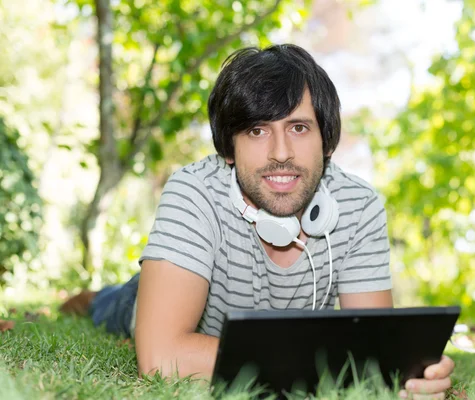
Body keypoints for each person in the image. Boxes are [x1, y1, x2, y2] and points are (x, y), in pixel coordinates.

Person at [60, 44, 454, 398]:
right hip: (158, 296)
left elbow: (377, 360)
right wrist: (319, 362)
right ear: (229, 148)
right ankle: (91, 297)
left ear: (327, 142)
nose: (280, 152)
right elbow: (161, 357)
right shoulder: (193, 190)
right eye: (256, 129)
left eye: (298, 127)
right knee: (109, 306)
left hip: (218, 341)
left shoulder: (359, 205)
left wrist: (414, 377)